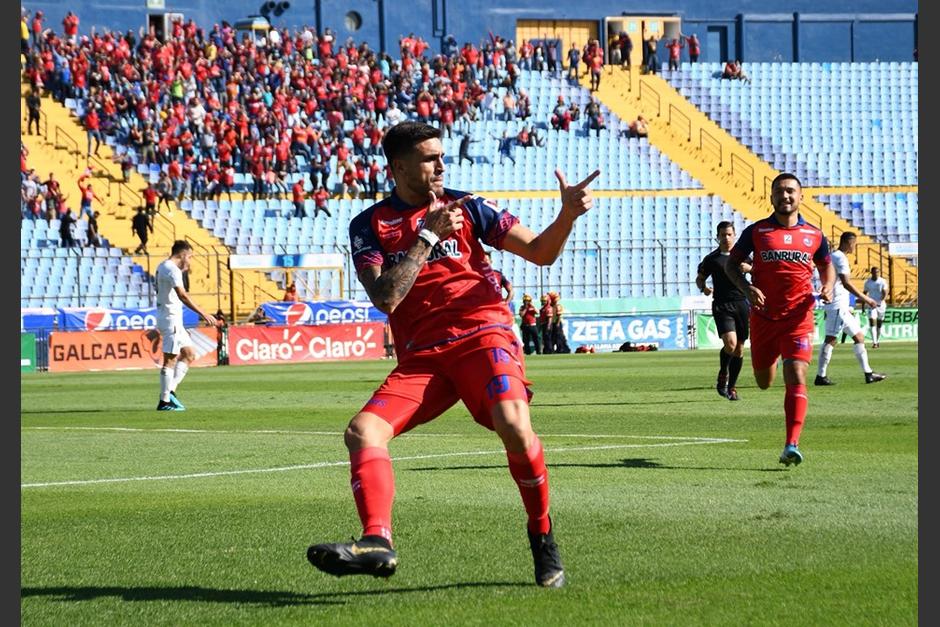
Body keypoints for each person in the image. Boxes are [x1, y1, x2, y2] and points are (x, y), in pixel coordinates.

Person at [307, 121, 600, 587]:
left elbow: (541, 252)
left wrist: (566, 216)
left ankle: (542, 535)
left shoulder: (468, 207)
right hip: (423, 357)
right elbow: (385, 298)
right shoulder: (369, 225)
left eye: (441, 156)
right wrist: (425, 237)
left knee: (514, 425)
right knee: (362, 432)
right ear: (399, 167)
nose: (441, 165)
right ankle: (377, 542)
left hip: (483, 335)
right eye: (429, 158)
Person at [724, 173, 835, 467]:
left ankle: (791, 444)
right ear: (771, 197)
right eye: (779, 192)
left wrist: (828, 285)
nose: (785, 196)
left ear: (801, 197)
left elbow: (827, 266)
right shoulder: (756, 232)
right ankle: (770, 360)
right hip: (763, 320)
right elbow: (731, 266)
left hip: (799, 317)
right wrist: (747, 288)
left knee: (796, 374)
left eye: (790, 191)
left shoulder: (815, 235)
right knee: (763, 381)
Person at [154, 240, 219, 411]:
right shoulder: (172, 269)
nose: (190, 260)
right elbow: (182, 295)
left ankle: (171, 391)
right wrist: (203, 313)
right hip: (171, 319)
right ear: (182, 254)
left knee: (189, 354)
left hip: (172, 318)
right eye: (189, 256)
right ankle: (164, 401)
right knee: (170, 359)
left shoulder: (164, 266)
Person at [815, 232, 887, 386]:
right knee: (831, 339)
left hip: (841, 307)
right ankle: (820, 376)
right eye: (854, 243)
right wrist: (867, 298)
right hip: (837, 306)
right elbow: (846, 283)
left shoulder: (835, 256)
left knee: (859, 337)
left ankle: (868, 374)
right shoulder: (840, 257)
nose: (855, 247)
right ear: (848, 242)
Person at [696, 221, 752, 401]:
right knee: (730, 344)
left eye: (729, 234)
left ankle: (732, 387)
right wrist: (703, 288)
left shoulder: (744, 256)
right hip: (722, 304)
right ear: (717, 236)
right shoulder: (712, 259)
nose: (726, 238)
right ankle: (723, 374)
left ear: (734, 235)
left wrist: (750, 268)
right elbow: (700, 278)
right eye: (722, 235)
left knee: (740, 349)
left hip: (742, 304)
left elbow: (759, 271)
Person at [863, 266, 889, 348]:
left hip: (881, 305)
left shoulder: (882, 281)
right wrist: (863, 305)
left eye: (877, 272)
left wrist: (881, 301)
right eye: (874, 272)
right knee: (872, 322)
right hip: (871, 304)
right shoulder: (868, 282)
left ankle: (877, 341)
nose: (876, 274)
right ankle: (874, 342)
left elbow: (885, 292)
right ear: (871, 273)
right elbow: (864, 294)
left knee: (879, 324)